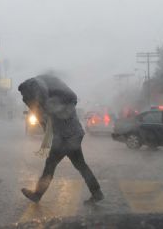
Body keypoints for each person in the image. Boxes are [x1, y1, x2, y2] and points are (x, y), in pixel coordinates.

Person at [18, 74, 104, 204]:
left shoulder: (52, 100)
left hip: (65, 137)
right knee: (81, 166)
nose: (24, 98)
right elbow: (46, 123)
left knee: (50, 166)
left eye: (25, 95)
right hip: (73, 135)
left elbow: (49, 119)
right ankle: (97, 192)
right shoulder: (55, 97)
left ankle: (37, 194)